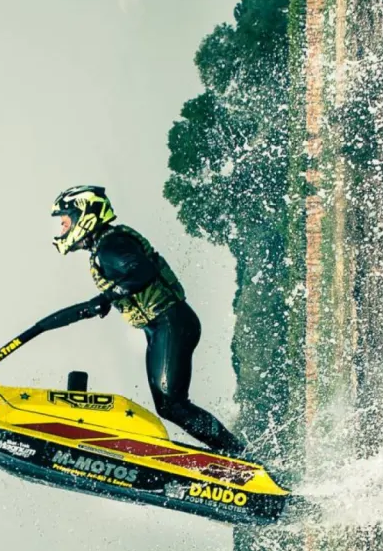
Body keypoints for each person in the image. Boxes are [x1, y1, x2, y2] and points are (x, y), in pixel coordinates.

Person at [50, 184, 245, 455]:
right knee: (168, 407)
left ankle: (239, 456)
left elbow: (143, 271)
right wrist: (111, 298)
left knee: (173, 404)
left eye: (64, 222)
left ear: (84, 215)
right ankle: (233, 454)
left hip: (170, 322)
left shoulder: (109, 245)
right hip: (159, 328)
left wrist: (107, 297)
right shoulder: (104, 246)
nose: (62, 230)